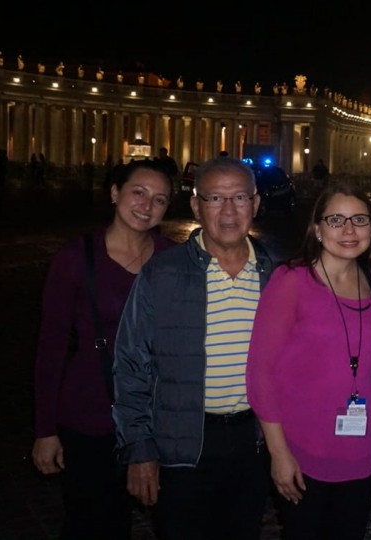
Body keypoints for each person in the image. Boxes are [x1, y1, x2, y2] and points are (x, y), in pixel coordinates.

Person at [113, 156, 278, 540]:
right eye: (215, 199)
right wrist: (140, 449)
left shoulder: (277, 273)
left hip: (252, 439)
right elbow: (130, 362)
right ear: (195, 206)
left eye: (239, 198)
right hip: (181, 439)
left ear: (255, 203)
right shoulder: (163, 272)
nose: (229, 211)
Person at [32, 159, 175, 540]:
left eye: (159, 199)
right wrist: (45, 429)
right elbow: (51, 347)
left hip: (156, 415)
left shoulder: (175, 260)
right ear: (115, 193)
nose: (147, 205)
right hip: (91, 414)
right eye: (138, 193)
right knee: (93, 523)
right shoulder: (76, 258)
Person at [247, 184, 371, 540]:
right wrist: (278, 453)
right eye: (336, 219)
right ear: (317, 229)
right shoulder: (291, 280)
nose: (349, 230)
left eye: (359, 219)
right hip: (302, 449)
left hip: (362, 448)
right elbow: (260, 373)